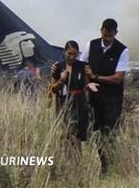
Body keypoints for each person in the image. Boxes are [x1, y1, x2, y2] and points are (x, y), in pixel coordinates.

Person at [79, 18, 130, 173]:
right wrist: (88, 83)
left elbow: (118, 77)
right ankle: (99, 164)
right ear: (101, 30)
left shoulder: (123, 50)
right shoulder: (91, 45)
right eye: (105, 35)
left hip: (112, 99)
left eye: (110, 36)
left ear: (116, 33)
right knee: (95, 130)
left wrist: (96, 78)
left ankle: (108, 166)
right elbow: (83, 65)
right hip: (94, 97)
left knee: (109, 131)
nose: (107, 39)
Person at [49, 41, 97, 157]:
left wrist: (89, 85)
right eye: (69, 54)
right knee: (66, 132)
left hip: (79, 102)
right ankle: (68, 158)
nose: (71, 57)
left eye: (74, 54)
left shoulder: (82, 66)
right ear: (64, 52)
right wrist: (61, 80)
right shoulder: (58, 67)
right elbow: (53, 89)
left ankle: (78, 159)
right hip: (63, 103)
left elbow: (87, 83)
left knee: (77, 133)